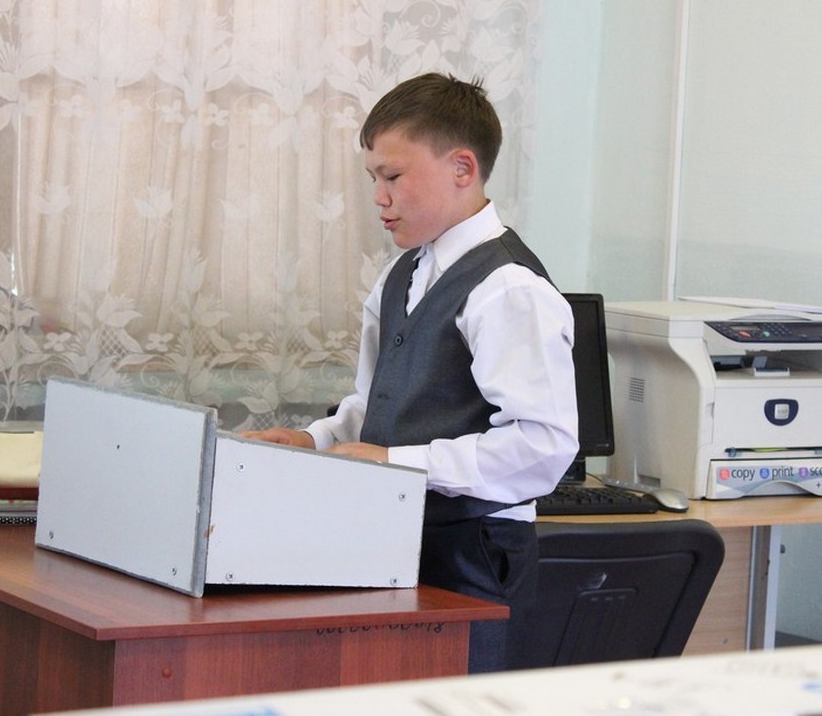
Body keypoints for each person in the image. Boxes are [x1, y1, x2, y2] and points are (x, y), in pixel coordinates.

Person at [243, 72, 579, 674]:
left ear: (462, 168)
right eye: (372, 178)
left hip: (475, 558)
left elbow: (542, 446)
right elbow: (375, 404)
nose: (379, 196)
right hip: (394, 538)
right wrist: (315, 441)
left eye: (392, 176)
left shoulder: (509, 290)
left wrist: (395, 464)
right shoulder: (401, 275)